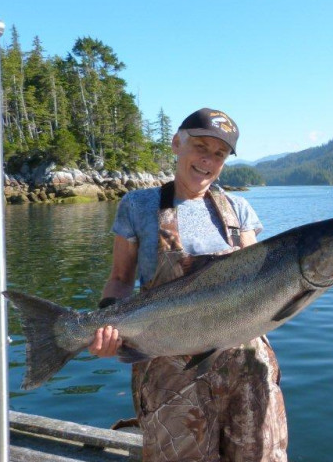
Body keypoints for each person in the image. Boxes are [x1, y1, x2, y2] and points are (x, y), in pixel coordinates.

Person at [88, 108, 288, 462]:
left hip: (245, 366)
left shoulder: (238, 210)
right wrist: (105, 324)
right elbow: (120, 279)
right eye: (200, 146)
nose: (208, 160)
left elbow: (259, 283)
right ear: (176, 143)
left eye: (219, 154)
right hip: (169, 369)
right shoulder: (138, 205)